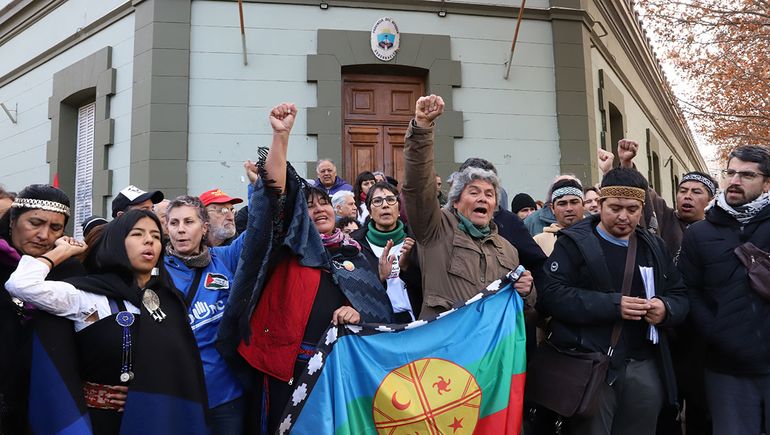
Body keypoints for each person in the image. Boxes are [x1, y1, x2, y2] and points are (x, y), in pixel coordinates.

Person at [217, 103, 393, 434]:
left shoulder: (354, 251)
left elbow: (376, 311)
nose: (319, 209)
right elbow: (275, 197)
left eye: (324, 202)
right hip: (285, 370)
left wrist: (357, 311)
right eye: (309, 207)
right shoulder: (288, 249)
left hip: (339, 371)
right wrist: (280, 136)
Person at [5, 209, 208, 435]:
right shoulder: (86, 296)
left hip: (152, 418)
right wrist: (59, 252)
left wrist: (144, 391)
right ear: (117, 243)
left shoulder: (168, 301)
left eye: (156, 236)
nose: (149, 240)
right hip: (96, 422)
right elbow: (21, 285)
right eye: (137, 234)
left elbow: (180, 369)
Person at [538, 167, 688, 435]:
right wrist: (613, 305)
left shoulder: (653, 246)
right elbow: (552, 295)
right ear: (600, 205)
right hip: (592, 364)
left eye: (632, 209)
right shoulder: (573, 243)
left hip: (644, 365)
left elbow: (679, 294)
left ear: (642, 208)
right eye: (615, 207)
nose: (624, 216)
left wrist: (666, 309)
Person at [401, 94, 533, 318]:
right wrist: (422, 128)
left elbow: (524, 314)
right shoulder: (435, 230)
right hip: (445, 347)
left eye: (489, 194)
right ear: (456, 199)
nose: (483, 198)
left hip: (490, 350)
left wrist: (528, 292)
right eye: (474, 192)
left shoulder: (508, 250)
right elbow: (418, 186)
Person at [678, 145, 770, 435]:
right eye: (730, 173)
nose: (734, 181)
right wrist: (718, 333)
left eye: (746, 175)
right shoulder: (699, 234)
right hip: (725, 368)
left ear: (767, 183)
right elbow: (689, 291)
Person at [0, 184, 86, 435]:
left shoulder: (70, 271)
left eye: (55, 228)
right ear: (12, 221)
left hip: (46, 398)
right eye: (35, 223)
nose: (44, 235)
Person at [164, 195, 247, 434]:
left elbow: (262, 229)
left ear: (204, 227)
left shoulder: (224, 259)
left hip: (225, 395)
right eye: (174, 223)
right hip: (176, 395)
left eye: (189, 222)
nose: (181, 230)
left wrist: (259, 185)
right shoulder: (154, 269)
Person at [351, 181, 422, 322]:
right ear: (370, 212)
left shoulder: (417, 240)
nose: (385, 205)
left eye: (390, 200)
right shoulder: (354, 245)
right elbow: (353, 293)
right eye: (377, 201)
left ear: (398, 209)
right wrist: (379, 277)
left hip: (415, 322)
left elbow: (429, 286)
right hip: (375, 323)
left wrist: (407, 268)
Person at [533, 178, 585, 256]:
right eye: (562, 204)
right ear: (552, 208)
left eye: (574, 202)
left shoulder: (596, 235)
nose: (569, 208)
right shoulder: (538, 242)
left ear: (583, 205)